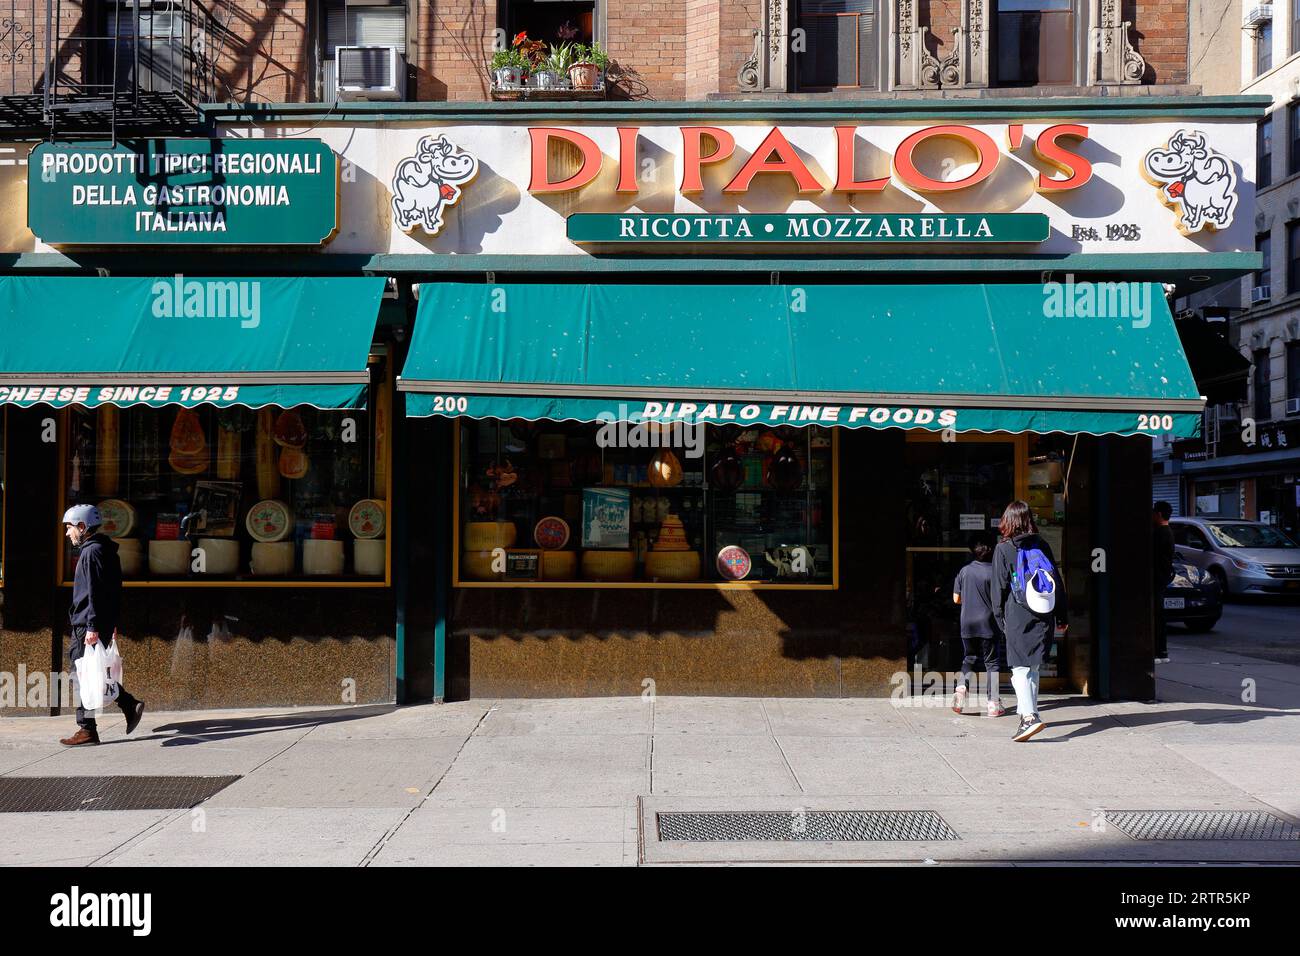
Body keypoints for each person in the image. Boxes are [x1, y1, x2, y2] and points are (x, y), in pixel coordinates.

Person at [60, 504, 145, 746]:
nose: (68, 533)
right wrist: (109, 622)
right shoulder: (105, 550)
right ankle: (129, 705)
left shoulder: (91, 552)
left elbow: (96, 593)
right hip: (96, 622)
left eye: (69, 528)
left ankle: (87, 729)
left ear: (82, 526)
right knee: (90, 673)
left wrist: (93, 627)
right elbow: (114, 591)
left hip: (88, 624)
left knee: (81, 675)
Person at [991, 500, 1067, 742]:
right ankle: (1028, 713)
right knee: (1033, 668)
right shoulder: (1042, 544)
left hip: (1017, 615)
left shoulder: (1003, 549)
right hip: (1044, 613)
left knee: (1020, 670)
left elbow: (999, 589)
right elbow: (1057, 581)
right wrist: (1062, 615)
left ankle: (1029, 718)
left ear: (1008, 521)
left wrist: (999, 619)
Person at [951, 532, 1006, 717]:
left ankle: (960, 689)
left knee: (969, 659)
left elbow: (956, 599)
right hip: (988, 624)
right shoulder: (995, 572)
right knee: (992, 663)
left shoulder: (965, 571)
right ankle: (993, 703)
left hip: (967, 623)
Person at [1152, 500, 1175, 665]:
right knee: (1159, 615)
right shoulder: (1168, 532)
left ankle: (1159, 650)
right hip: (1162, 578)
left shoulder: (1160, 533)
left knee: (1156, 615)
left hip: (1157, 579)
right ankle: (1161, 650)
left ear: (1158, 514)